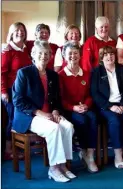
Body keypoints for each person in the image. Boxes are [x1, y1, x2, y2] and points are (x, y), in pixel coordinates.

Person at [12, 40, 75, 182]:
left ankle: (62, 165)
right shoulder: (24, 73)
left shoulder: (53, 75)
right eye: (40, 53)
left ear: (50, 56)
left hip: (50, 114)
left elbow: (57, 99)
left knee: (68, 126)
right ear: (33, 54)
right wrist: (39, 113)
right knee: (54, 128)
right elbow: (18, 100)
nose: (44, 56)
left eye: (47, 53)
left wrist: (56, 111)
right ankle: (53, 169)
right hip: (29, 116)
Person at [90, 46, 123, 169]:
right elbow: (95, 93)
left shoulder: (122, 70)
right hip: (106, 106)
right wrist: (110, 107)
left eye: (111, 54)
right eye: (106, 55)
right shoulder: (96, 72)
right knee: (114, 121)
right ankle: (117, 154)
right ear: (101, 58)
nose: (109, 57)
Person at [58, 41, 98, 173]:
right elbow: (60, 99)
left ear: (80, 55)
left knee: (93, 118)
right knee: (82, 121)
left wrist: (86, 104)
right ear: (64, 56)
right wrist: (73, 108)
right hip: (69, 110)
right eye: (70, 53)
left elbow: (91, 94)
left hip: (84, 108)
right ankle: (83, 150)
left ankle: (90, 155)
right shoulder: (61, 76)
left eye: (75, 53)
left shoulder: (86, 74)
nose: (73, 56)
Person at [1, 22, 32, 160]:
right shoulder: (7, 50)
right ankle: (8, 150)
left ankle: (18, 148)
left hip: (24, 91)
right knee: (12, 118)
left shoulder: (26, 48)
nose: (20, 32)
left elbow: (42, 41)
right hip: (10, 90)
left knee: (21, 118)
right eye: (17, 30)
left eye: (22, 30)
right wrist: (3, 91)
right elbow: (1, 72)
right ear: (11, 33)